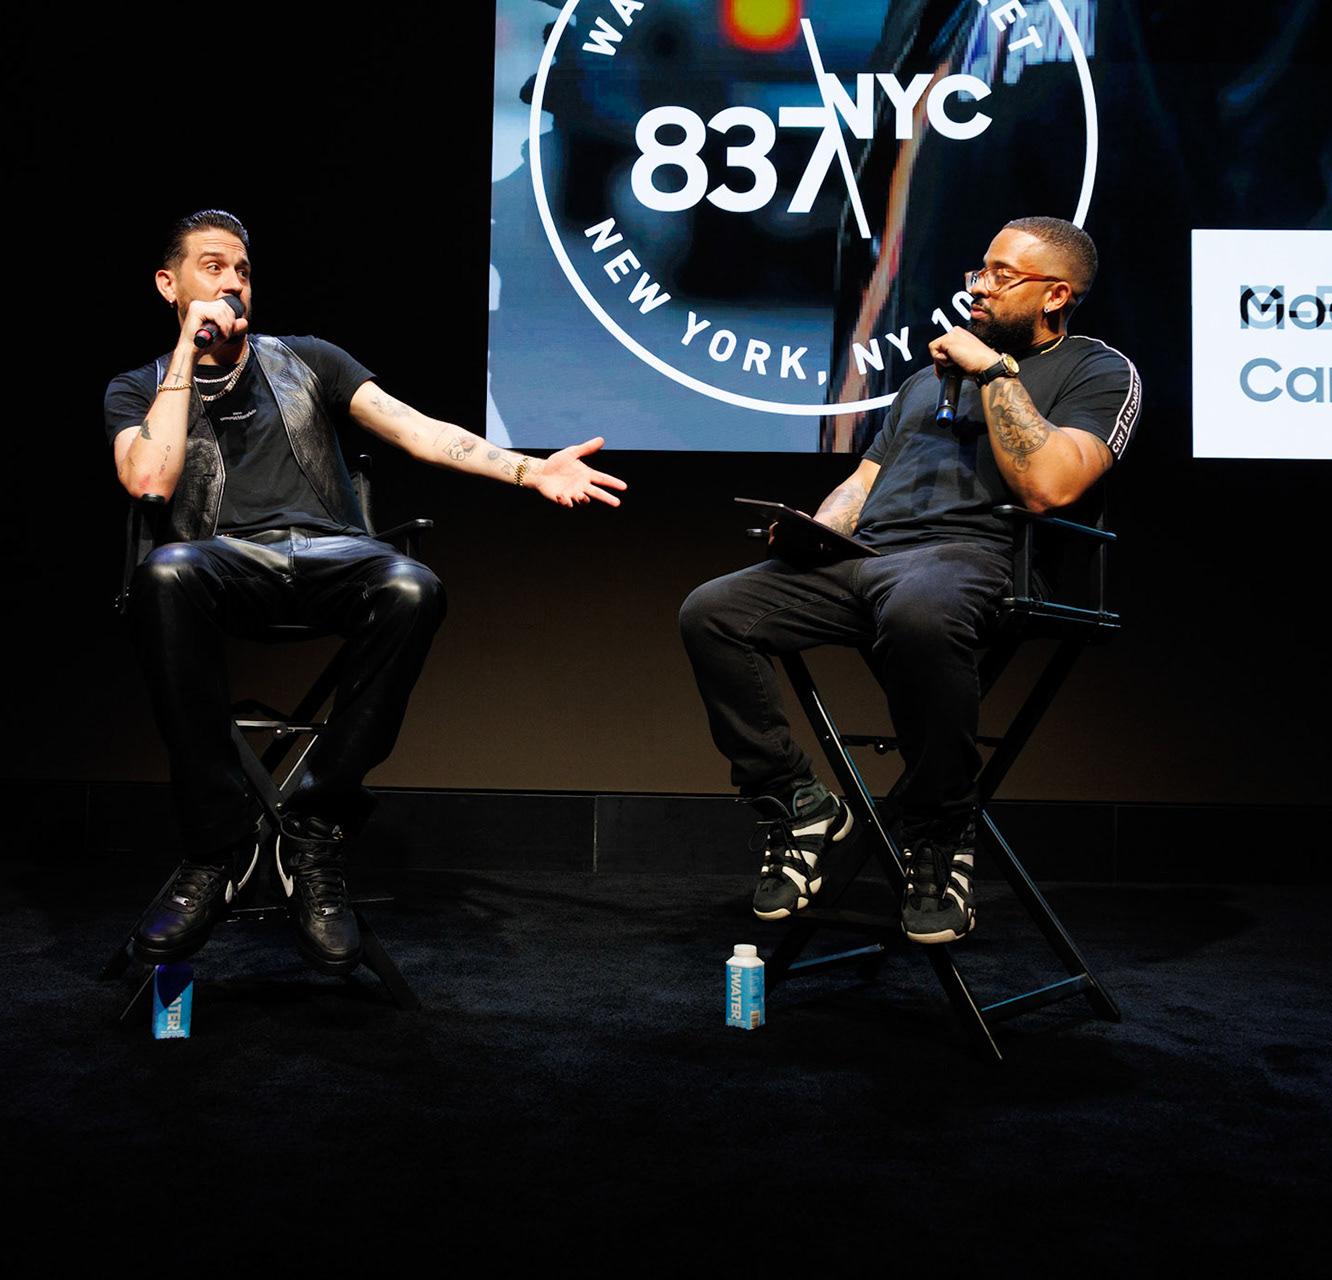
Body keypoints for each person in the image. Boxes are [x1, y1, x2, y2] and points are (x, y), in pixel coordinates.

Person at [107, 209, 625, 975]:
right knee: (163, 573)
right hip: (223, 567)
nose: (233, 282)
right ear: (168, 284)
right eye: (213, 267)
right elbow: (150, 480)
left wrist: (528, 470)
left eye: (243, 269)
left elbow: (420, 431)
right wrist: (189, 348)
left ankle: (313, 832)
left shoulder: (309, 359)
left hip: (329, 556)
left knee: (412, 586)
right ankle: (214, 849)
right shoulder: (137, 388)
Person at [679, 217, 1139, 944]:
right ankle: (796, 803)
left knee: (920, 611)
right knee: (714, 611)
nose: (979, 286)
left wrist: (994, 374)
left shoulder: (1097, 370)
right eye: (980, 270)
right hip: (867, 559)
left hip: (981, 558)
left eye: (1002, 275)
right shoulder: (923, 382)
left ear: (1056, 295)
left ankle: (940, 833)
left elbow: (1051, 485)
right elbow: (865, 480)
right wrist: (817, 533)